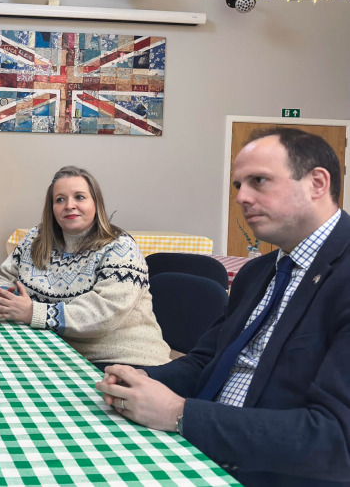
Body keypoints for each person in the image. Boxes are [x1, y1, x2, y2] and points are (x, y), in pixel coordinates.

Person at [96, 128, 350, 486]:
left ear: (317, 183)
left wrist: (180, 414)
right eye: (238, 186)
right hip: (195, 446)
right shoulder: (259, 272)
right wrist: (139, 379)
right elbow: (206, 362)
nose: (242, 197)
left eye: (258, 181)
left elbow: (336, 440)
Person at [0, 166, 170, 369]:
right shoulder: (34, 240)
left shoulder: (120, 247)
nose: (69, 205)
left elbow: (103, 314)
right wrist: (3, 298)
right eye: (60, 199)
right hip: (54, 350)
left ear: (96, 203)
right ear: (52, 209)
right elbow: (4, 277)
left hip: (122, 360)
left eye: (80, 197)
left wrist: (34, 312)